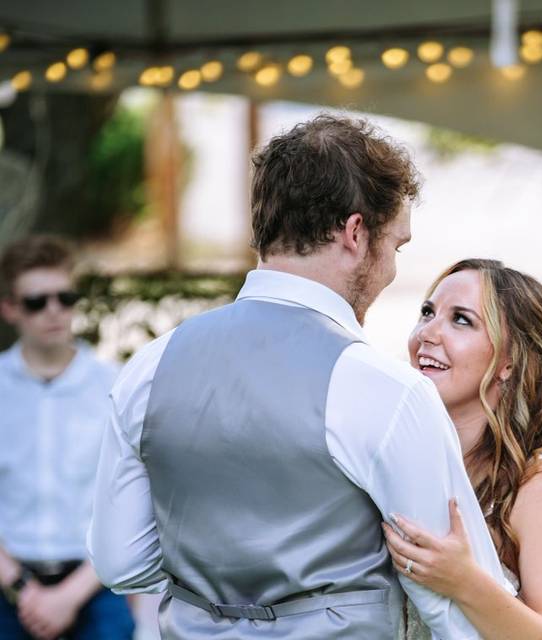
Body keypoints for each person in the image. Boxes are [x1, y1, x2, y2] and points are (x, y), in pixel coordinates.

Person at [87, 115, 512, 639]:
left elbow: (120, 562)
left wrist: (218, 593)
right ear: (356, 233)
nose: (393, 269)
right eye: (396, 246)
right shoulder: (386, 391)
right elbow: (451, 604)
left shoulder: (149, 369)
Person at [382, 259, 542, 639]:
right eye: (427, 312)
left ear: (507, 362)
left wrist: (464, 582)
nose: (427, 333)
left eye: (461, 320)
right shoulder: (407, 463)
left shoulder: (541, 485)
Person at [0, 235, 134, 640]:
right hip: (9, 588)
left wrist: (70, 596)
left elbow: (133, 501)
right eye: (37, 302)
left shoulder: (115, 386)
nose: (54, 311)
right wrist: (23, 589)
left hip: (94, 586)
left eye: (65, 297)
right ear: (10, 309)